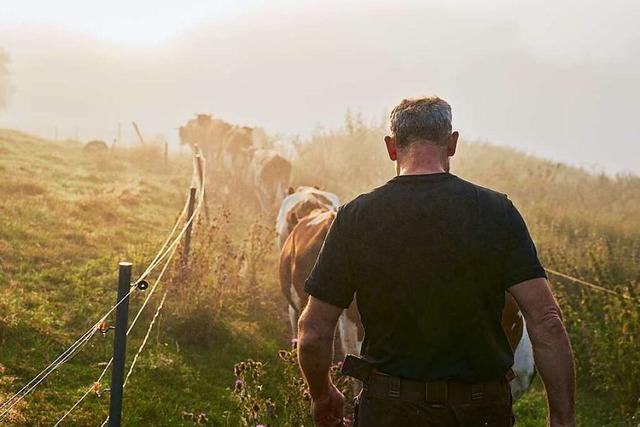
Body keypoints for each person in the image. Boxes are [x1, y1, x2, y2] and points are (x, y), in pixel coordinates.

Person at [296, 97, 575, 427]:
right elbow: (547, 320)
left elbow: (313, 333)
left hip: (389, 411)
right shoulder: (498, 213)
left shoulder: (355, 218)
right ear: (452, 142)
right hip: (481, 412)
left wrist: (322, 395)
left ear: (390, 147)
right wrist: (562, 419)